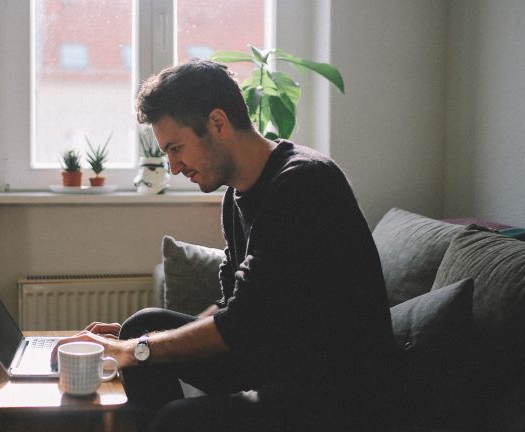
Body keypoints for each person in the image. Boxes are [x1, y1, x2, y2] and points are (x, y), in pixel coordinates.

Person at [52, 59, 394, 431]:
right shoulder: (236, 196)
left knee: (173, 416)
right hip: (276, 356)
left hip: (332, 392)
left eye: (177, 148)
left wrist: (137, 350)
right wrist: (143, 341)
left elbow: (240, 325)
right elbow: (233, 304)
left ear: (218, 123)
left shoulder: (304, 184)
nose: (175, 167)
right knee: (142, 326)